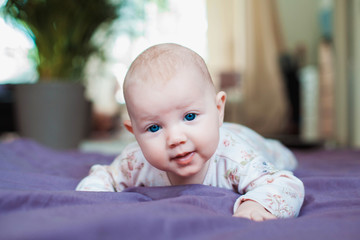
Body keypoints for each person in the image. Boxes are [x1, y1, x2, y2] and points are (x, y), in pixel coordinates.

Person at [76, 43, 304, 221]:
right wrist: (92, 200)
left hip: (246, 139)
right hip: (217, 133)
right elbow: (104, 176)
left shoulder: (236, 158)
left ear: (218, 109)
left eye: (190, 116)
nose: (176, 139)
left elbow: (286, 184)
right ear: (134, 133)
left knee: (280, 156)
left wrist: (257, 205)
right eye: (154, 127)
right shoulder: (135, 161)